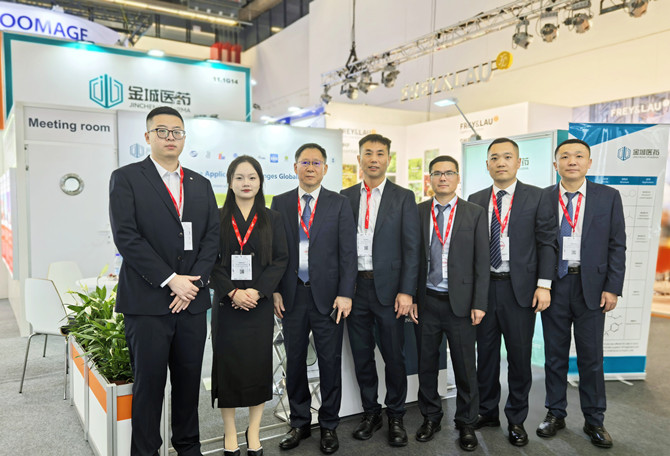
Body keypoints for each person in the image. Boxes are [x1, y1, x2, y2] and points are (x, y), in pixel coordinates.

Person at [109, 106, 219, 456]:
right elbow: (127, 238)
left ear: (184, 137)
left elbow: (211, 239)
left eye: (177, 132)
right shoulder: (127, 178)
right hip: (147, 304)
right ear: (148, 136)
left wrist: (192, 285)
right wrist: (172, 280)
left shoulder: (200, 184)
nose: (170, 137)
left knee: (188, 384)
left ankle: (188, 447)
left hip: (191, 304)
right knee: (149, 386)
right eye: (162, 131)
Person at [537, 138, 625, 449]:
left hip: (593, 288)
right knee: (554, 356)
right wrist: (541, 284)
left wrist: (612, 287)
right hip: (555, 286)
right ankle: (555, 413)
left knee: (591, 358)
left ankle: (594, 420)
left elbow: (617, 244)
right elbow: (538, 244)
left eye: (578, 156)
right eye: (565, 156)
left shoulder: (608, 196)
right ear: (555, 164)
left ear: (589, 163)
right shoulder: (543, 197)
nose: (571, 161)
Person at [467, 138, 556, 446]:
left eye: (507, 157)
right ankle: (487, 410)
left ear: (518, 162)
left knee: (519, 358)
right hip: (484, 289)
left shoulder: (537, 196)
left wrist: (544, 284)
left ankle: (516, 419)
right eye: (494, 157)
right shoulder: (476, 199)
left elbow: (547, 242)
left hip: (520, 291)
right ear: (487, 165)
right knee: (486, 356)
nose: (500, 162)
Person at [271, 143, 357, 454]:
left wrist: (345, 293)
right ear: (295, 167)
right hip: (292, 295)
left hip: (329, 298)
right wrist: (275, 289)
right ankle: (299, 422)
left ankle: (329, 424)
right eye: (305, 162)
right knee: (294, 361)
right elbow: (274, 252)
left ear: (325, 168)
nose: (310, 167)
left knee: (329, 362)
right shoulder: (280, 203)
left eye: (316, 162)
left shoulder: (339, 203)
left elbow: (348, 253)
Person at [340, 134, 420, 447]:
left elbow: (412, 248)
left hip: (390, 292)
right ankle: (371, 413)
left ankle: (396, 415)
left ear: (388, 158)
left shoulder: (403, 197)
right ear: (359, 158)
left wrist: (407, 291)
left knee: (394, 357)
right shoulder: (345, 197)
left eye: (380, 153)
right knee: (362, 356)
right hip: (355, 289)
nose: (374, 159)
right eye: (368, 153)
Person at [209, 156, 288, 456]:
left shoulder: (272, 218)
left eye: (252, 177)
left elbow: (280, 259)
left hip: (259, 304)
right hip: (227, 305)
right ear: (230, 182)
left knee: (258, 367)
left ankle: (253, 430)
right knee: (227, 368)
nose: (246, 183)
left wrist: (258, 291)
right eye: (239, 177)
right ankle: (230, 431)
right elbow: (210, 261)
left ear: (260, 182)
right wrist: (232, 292)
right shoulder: (216, 217)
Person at [413, 155, 489, 452]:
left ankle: (466, 422)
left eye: (448, 173)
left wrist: (479, 302)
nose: (442, 178)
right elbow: (410, 258)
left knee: (465, 367)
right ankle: (430, 417)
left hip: (461, 304)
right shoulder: (418, 212)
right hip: (427, 301)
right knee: (426, 365)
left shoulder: (474, 213)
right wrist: (412, 296)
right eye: (437, 173)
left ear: (458, 178)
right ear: (429, 179)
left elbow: (482, 261)